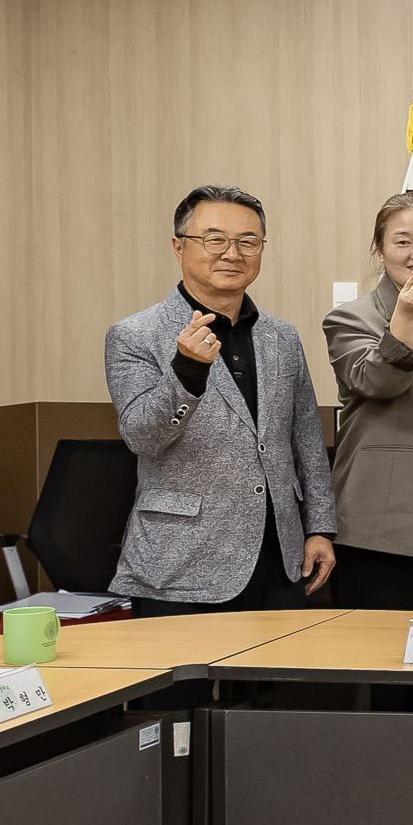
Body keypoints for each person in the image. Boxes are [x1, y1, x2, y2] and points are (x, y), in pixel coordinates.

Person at [105, 185, 336, 615]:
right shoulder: (135, 335)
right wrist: (187, 371)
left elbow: (305, 438)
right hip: (179, 561)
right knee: (181, 684)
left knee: (277, 676)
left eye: (248, 241)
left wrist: (319, 527)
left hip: (278, 553)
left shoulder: (281, 336)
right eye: (214, 239)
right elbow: (142, 438)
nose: (232, 253)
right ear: (179, 247)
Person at [323, 192, 413, 615]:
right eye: (402, 241)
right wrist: (405, 316)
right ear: (379, 249)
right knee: (385, 670)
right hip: (381, 529)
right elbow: (379, 381)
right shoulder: (351, 318)